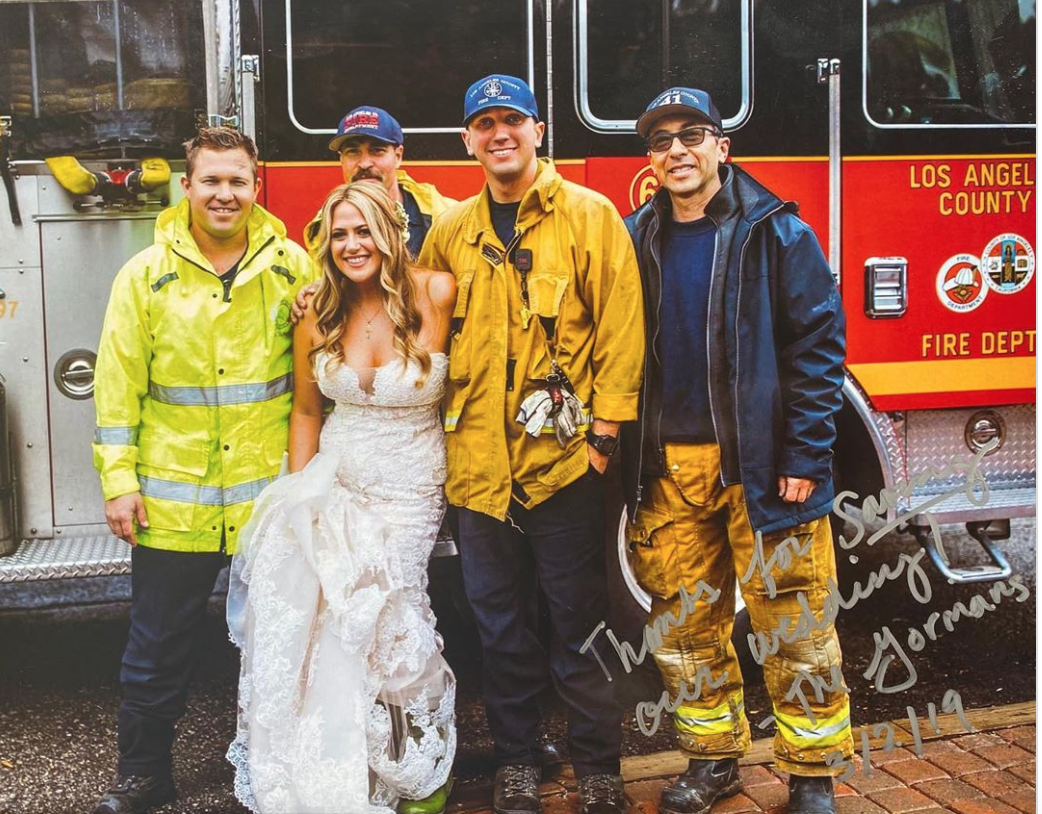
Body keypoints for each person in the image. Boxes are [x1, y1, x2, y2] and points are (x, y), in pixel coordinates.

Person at [621, 88, 852, 814]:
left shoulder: (777, 233)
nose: (676, 150)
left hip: (760, 467)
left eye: (692, 134)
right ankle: (711, 760)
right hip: (668, 472)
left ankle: (812, 774)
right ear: (650, 161)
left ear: (722, 146)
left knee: (796, 625)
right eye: (661, 141)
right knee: (686, 629)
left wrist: (805, 460)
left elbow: (818, 354)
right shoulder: (635, 237)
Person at [417, 74, 644, 814]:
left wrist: (603, 439)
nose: (499, 133)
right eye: (484, 123)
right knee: (501, 632)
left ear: (539, 130)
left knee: (580, 626)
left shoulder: (589, 215)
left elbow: (619, 327)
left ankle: (600, 768)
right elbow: (417, 333)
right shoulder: (452, 232)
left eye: (512, 119)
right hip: (478, 473)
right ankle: (518, 763)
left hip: (563, 470)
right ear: (467, 141)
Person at [91, 126, 316, 814]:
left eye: (237, 181)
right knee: (155, 652)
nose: (225, 194)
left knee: (280, 651)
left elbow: (317, 378)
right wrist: (120, 483)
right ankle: (143, 773)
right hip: (173, 507)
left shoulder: (295, 269)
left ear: (256, 187)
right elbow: (116, 388)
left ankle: (284, 773)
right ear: (186, 186)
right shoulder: (144, 275)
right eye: (211, 180)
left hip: (265, 506)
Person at [226, 181, 458, 814]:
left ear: (390, 231)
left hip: (410, 486)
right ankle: (353, 769)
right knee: (331, 625)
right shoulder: (317, 312)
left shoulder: (438, 291)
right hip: (336, 479)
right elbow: (306, 410)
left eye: (363, 231)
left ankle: (417, 768)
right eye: (339, 234)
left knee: (394, 615)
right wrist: (301, 499)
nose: (351, 245)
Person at [304, 105, 455, 257]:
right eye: (353, 152)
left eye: (377, 151)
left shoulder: (447, 217)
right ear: (341, 160)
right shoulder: (324, 228)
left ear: (398, 156)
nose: (364, 163)